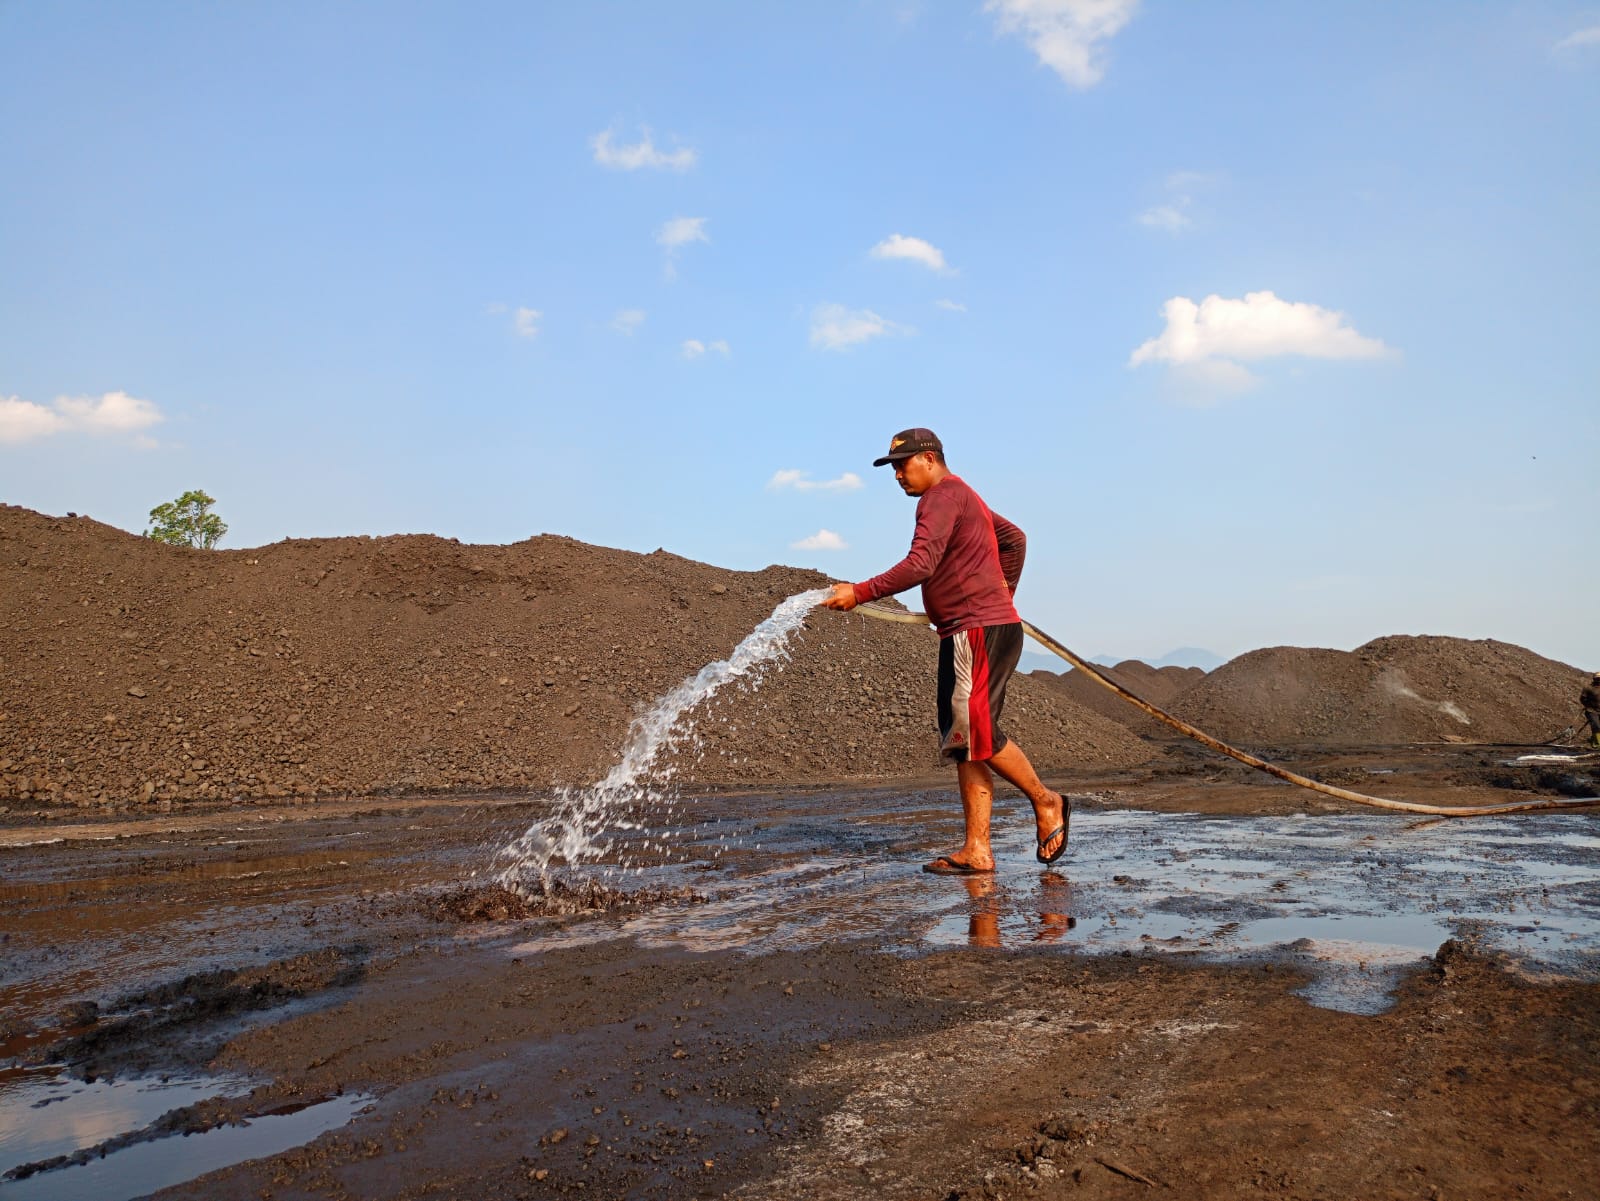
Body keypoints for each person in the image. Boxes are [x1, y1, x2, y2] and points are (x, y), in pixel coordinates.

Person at [823, 427, 1069, 874]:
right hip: (967, 629)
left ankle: (1046, 801)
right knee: (963, 741)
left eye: (903, 464)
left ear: (931, 459)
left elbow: (921, 564)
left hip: (977, 630)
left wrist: (860, 592)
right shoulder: (964, 496)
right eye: (893, 467)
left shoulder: (938, 498)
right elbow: (1015, 539)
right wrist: (1002, 592)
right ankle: (977, 850)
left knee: (975, 731)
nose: (897, 475)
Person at [1582, 673, 1600, 748]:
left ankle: (1593, 740)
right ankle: (1597, 745)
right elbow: (1582, 698)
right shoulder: (1588, 688)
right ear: (1594, 679)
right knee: (1597, 726)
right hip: (1591, 711)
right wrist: (1587, 705)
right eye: (1597, 678)